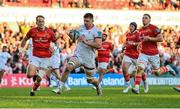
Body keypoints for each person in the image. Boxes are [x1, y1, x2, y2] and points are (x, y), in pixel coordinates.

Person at [52, 13, 103, 96]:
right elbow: (73, 36)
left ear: (92, 21)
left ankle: (98, 85)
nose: (85, 22)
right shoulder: (80, 28)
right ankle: (60, 88)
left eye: (87, 21)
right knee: (68, 67)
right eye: (84, 21)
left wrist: (86, 42)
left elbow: (98, 45)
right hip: (78, 55)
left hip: (89, 58)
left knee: (90, 80)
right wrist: (71, 35)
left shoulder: (97, 31)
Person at [132, 14, 176, 94]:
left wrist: (150, 38)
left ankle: (167, 68)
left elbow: (161, 39)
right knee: (140, 68)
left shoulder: (154, 28)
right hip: (143, 53)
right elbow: (142, 40)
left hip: (153, 54)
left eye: (146, 18)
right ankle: (136, 88)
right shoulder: (140, 30)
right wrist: (139, 44)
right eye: (143, 18)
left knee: (157, 73)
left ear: (149, 20)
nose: (144, 19)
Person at [20, 15, 58, 96]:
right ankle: (35, 75)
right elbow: (24, 39)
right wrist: (21, 50)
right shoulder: (32, 31)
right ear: (36, 22)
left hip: (46, 58)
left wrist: (54, 48)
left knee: (39, 78)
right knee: (29, 75)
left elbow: (56, 42)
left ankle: (33, 90)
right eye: (39, 21)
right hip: (35, 57)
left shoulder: (50, 32)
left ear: (44, 22)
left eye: (42, 21)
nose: (41, 23)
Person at [121, 22, 142, 93]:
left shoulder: (138, 34)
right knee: (124, 69)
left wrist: (133, 43)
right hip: (128, 54)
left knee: (136, 73)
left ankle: (139, 86)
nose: (130, 27)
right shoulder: (128, 34)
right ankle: (128, 85)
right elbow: (126, 42)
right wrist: (123, 46)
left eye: (132, 26)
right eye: (130, 26)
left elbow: (140, 43)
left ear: (135, 27)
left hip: (136, 56)